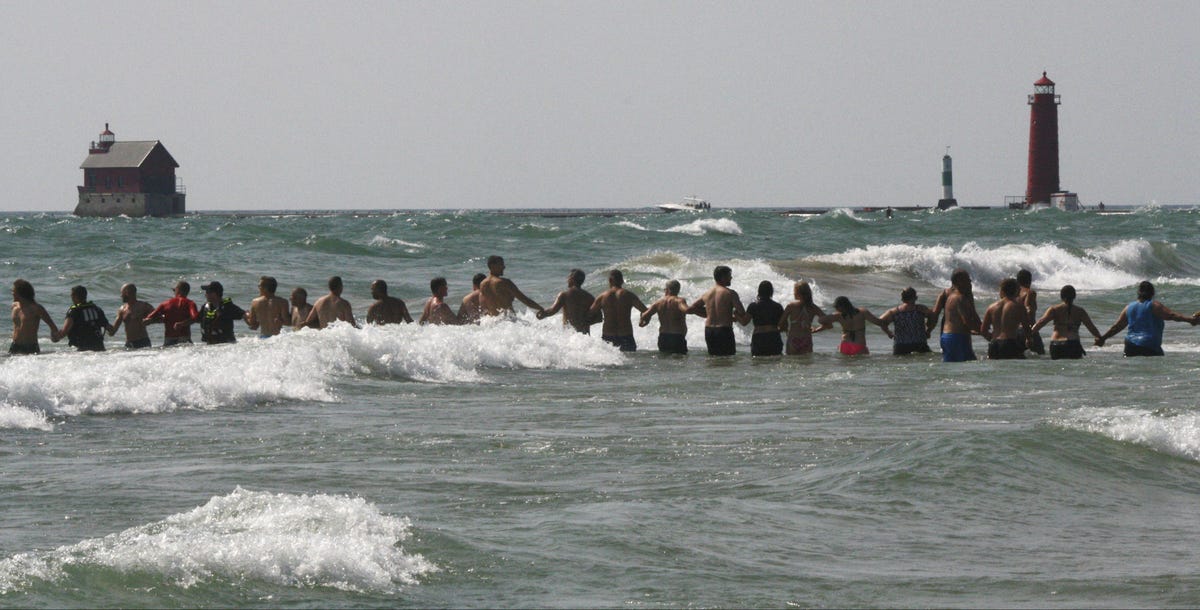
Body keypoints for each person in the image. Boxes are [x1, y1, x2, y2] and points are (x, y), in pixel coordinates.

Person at [1096, 280, 1199, 356]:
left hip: (1130, 346)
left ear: (1138, 293)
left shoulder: (1129, 307)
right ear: (1152, 293)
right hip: (1149, 346)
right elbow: (1171, 315)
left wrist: (1103, 338)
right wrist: (1190, 320)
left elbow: (1116, 327)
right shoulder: (1154, 305)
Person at [686, 265, 749, 356]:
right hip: (724, 330)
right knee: (728, 359)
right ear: (723, 277)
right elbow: (742, 312)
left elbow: (692, 309)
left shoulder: (707, 294)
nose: (731, 277)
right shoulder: (730, 293)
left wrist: (708, 313)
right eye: (729, 276)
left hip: (709, 331)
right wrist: (734, 316)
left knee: (713, 359)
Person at [1031, 285, 1102, 359]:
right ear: (1074, 296)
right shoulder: (1080, 311)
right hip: (1073, 344)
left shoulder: (1054, 309)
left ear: (1061, 296)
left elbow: (1041, 322)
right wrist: (1099, 338)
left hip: (1056, 344)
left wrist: (1029, 335)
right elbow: (1091, 327)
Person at [588, 269, 647, 352]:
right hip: (626, 335)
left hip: (608, 336)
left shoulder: (602, 297)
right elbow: (645, 311)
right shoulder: (629, 295)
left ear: (610, 280)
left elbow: (590, 314)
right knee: (630, 363)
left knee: (610, 362)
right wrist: (643, 321)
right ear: (622, 281)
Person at [932, 269, 983, 362]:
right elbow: (967, 320)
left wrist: (928, 329)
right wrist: (983, 332)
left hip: (947, 335)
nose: (970, 281)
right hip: (957, 336)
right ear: (959, 281)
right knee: (967, 366)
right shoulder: (960, 297)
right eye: (968, 279)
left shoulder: (949, 295)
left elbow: (935, 314)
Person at [819, 296, 891, 356]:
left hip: (845, 345)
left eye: (837, 308)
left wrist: (828, 322)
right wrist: (889, 319)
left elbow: (821, 320)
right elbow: (878, 322)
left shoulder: (838, 316)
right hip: (859, 345)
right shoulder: (862, 312)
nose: (837, 310)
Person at [980, 278, 1032, 360]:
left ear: (1002, 290)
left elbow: (983, 331)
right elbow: (1026, 327)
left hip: (994, 344)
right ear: (1016, 291)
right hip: (1010, 342)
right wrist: (1029, 340)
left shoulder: (991, 307)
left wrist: (993, 339)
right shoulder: (1019, 306)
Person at [537, 269, 599, 334]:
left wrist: (542, 314)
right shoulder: (590, 297)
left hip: (569, 336)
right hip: (585, 337)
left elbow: (552, 311)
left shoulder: (564, 295)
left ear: (572, 279)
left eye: (568, 278)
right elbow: (599, 318)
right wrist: (585, 322)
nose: (567, 280)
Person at [479, 255, 544, 317]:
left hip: (494, 323)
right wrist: (541, 308)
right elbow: (524, 299)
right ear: (492, 266)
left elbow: (483, 305)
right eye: (501, 264)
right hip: (509, 321)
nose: (504, 267)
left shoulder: (482, 284)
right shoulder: (504, 282)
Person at [52, 285, 112, 352]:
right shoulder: (97, 309)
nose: (71, 297)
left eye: (71, 295)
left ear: (75, 296)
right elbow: (110, 329)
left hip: (83, 351)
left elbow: (63, 332)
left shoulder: (74, 311)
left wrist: (54, 337)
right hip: (100, 349)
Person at [878, 287, 936, 355]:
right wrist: (928, 330)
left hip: (901, 346)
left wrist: (888, 332)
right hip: (919, 344)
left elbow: (881, 321)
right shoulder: (921, 309)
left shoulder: (894, 312)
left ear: (902, 299)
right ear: (916, 298)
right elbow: (933, 316)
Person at [639, 280, 690, 354]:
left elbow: (644, 315)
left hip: (663, 337)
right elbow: (687, 310)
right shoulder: (679, 301)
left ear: (668, 290)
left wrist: (643, 322)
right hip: (677, 337)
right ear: (677, 290)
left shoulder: (658, 303)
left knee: (664, 362)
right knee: (679, 362)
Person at [144, 281, 199, 346]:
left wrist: (157, 320)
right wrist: (182, 324)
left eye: (174, 290)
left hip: (169, 338)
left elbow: (149, 317)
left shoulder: (166, 304)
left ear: (178, 290)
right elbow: (195, 318)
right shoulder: (190, 303)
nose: (174, 292)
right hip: (184, 337)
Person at [9, 279, 57, 355]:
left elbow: (52, 326)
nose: (12, 293)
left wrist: (54, 337)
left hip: (30, 348)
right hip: (15, 346)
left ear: (20, 293)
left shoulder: (36, 308)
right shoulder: (14, 306)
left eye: (13, 291)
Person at [778, 281, 826, 355]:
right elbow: (828, 324)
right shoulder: (814, 308)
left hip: (793, 339)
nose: (793, 293)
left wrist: (785, 329)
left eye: (794, 291)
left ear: (798, 293)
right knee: (805, 364)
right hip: (806, 340)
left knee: (792, 363)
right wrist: (816, 330)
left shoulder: (791, 306)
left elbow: (780, 323)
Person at [108, 283, 154, 349]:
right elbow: (113, 332)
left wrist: (150, 320)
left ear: (128, 293)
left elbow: (159, 317)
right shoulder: (122, 309)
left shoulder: (144, 306)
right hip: (129, 343)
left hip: (142, 342)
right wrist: (105, 325)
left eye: (122, 293)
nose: (121, 296)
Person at [745, 280, 784, 356]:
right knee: (775, 362)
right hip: (773, 337)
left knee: (758, 363)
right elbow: (784, 326)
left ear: (759, 291)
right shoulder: (777, 306)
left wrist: (735, 315)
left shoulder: (753, 306)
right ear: (771, 292)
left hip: (759, 338)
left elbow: (744, 322)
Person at [1016, 269, 1045, 355]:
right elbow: (1029, 311)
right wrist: (1030, 333)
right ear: (1030, 280)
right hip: (1028, 329)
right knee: (1042, 357)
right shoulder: (1029, 292)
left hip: (1014, 332)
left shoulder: (1013, 293)